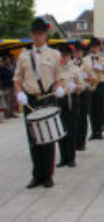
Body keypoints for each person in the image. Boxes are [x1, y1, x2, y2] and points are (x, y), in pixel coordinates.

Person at [14, 18, 65, 188]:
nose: (37, 36)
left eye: (40, 33)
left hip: (48, 98)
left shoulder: (55, 54)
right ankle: (37, 175)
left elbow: (59, 77)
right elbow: (17, 79)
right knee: (33, 139)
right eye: (34, 33)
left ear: (45, 35)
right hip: (30, 100)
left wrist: (59, 88)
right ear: (31, 34)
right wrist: (20, 93)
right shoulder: (23, 56)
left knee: (48, 138)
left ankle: (48, 175)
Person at [57, 44, 84, 168]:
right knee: (60, 130)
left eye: (66, 55)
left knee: (72, 129)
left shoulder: (75, 69)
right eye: (62, 55)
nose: (64, 57)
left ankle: (71, 157)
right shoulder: (56, 69)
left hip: (72, 99)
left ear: (70, 56)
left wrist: (76, 87)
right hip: (60, 99)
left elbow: (82, 86)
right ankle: (63, 157)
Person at [73, 41, 90, 151]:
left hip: (85, 91)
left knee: (83, 118)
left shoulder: (87, 62)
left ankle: (82, 142)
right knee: (74, 119)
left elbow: (93, 76)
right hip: (74, 91)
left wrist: (88, 77)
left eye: (79, 51)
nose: (78, 53)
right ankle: (74, 142)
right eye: (75, 51)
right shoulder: (70, 63)